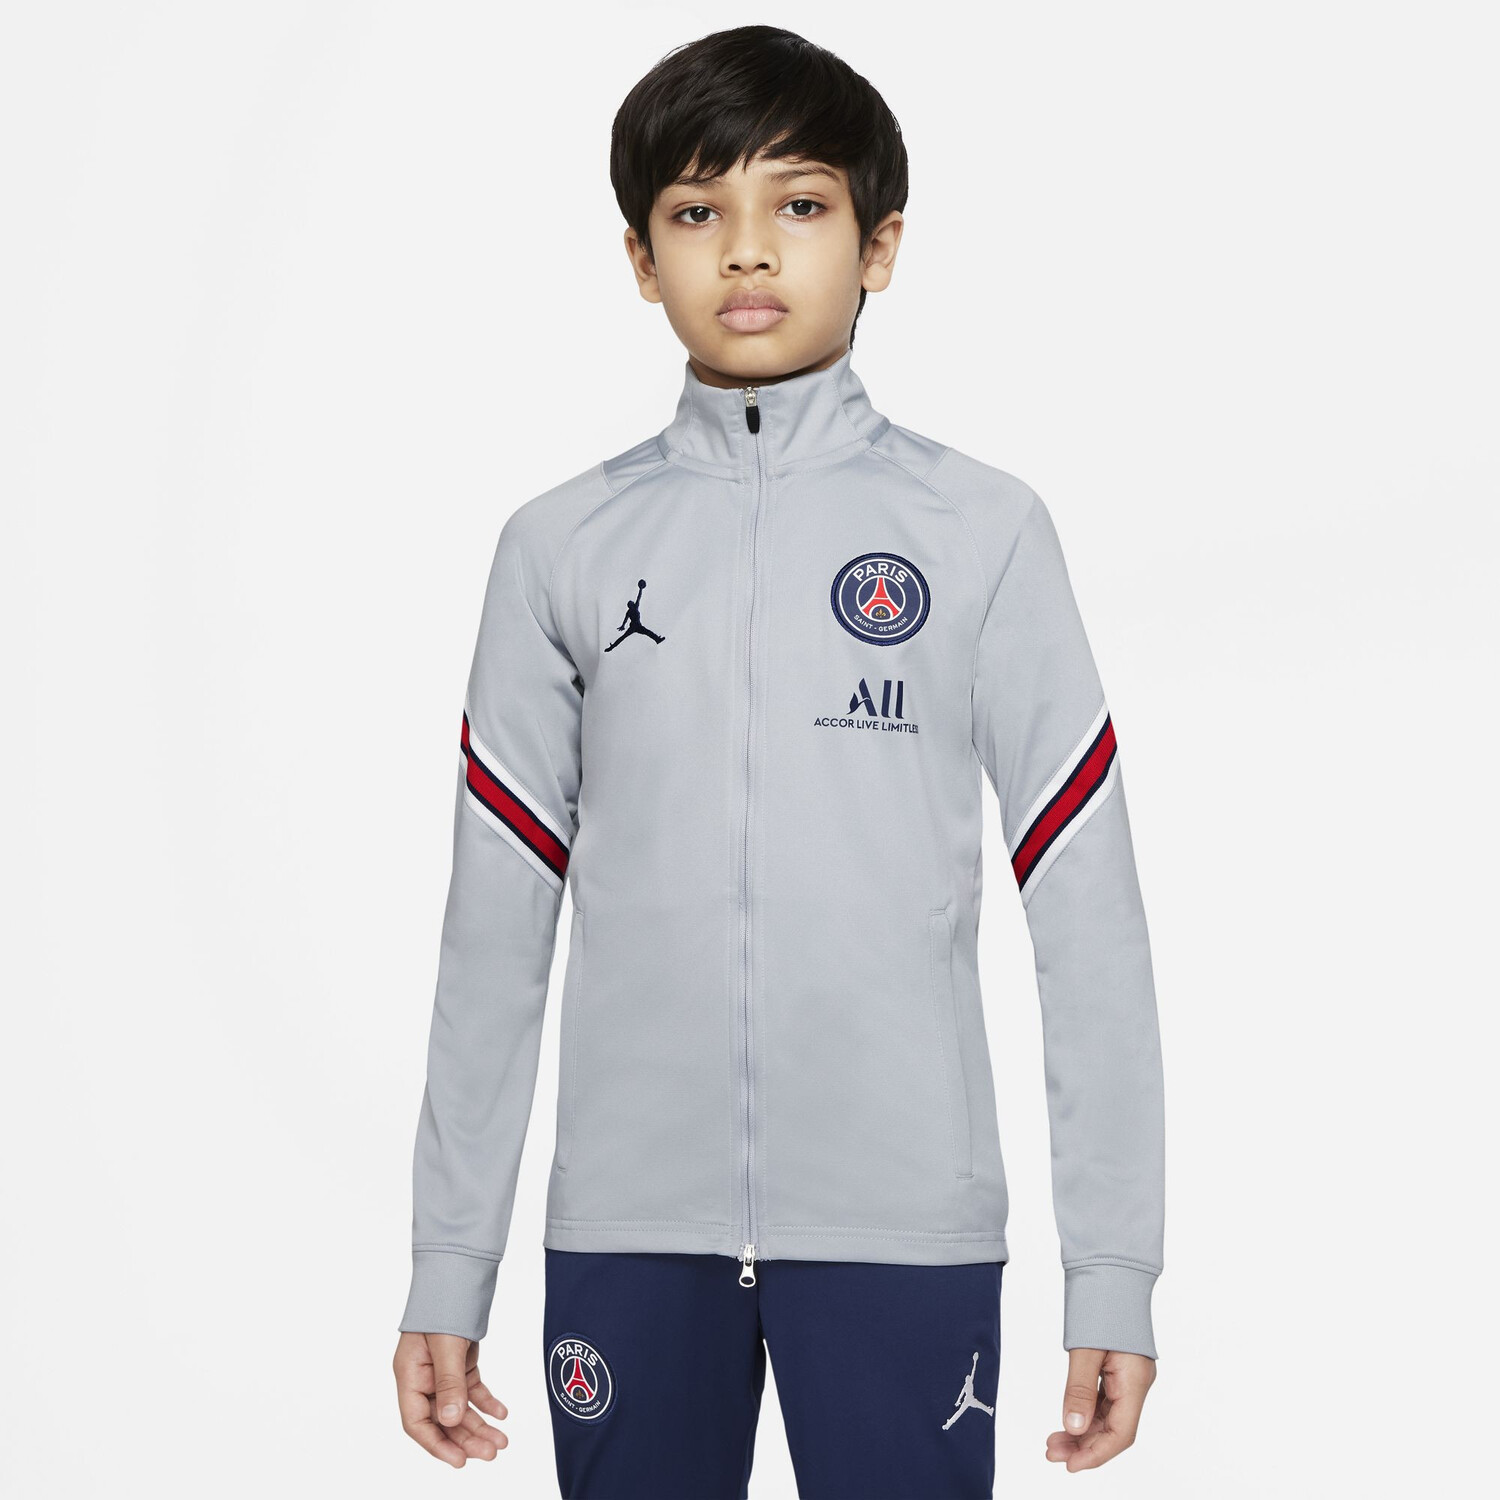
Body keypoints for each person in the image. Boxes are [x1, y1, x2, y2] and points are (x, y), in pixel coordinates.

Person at [392, 24, 1164, 1498]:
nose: (747, 250)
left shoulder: (984, 534)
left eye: (798, 204)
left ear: (880, 246)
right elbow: (490, 938)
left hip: (904, 1231)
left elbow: (1089, 915)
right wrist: (449, 1260)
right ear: (640, 258)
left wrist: (1114, 1268)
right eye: (699, 211)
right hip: (629, 1233)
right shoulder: (558, 550)